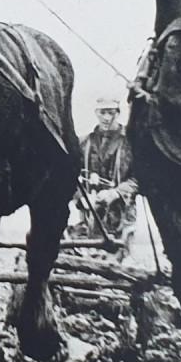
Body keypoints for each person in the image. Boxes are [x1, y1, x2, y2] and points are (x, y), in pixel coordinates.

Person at [73, 94, 139, 254]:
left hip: (122, 218)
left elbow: (140, 178)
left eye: (111, 113)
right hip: (90, 217)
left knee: (114, 266)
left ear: (118, 113)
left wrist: (116, 193)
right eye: (102, 112)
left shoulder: (131, 142)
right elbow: (69, 176)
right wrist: (81, 197)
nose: (107, 118)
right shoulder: (84, 143)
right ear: (96, 113)